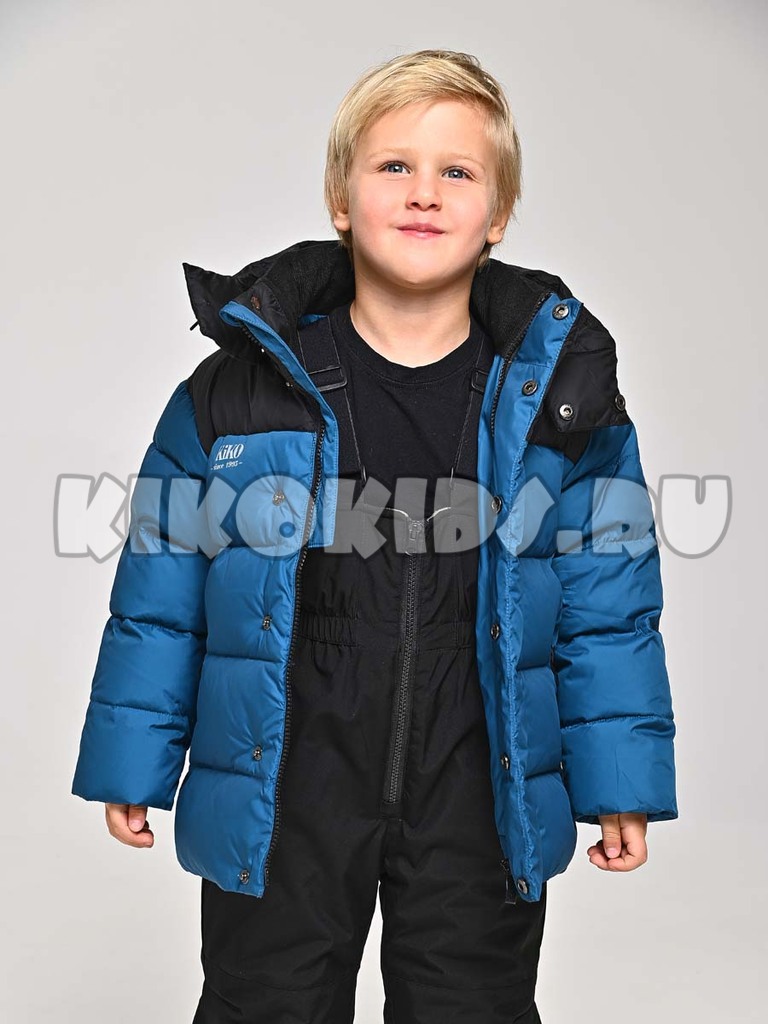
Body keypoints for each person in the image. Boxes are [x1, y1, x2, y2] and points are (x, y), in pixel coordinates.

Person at [71, 49, 678, 1023]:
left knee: (472, 1004)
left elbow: (609, 604)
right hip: (285, 762)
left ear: (498, 215)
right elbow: (161, 589)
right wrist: (133, 756)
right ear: (341, 200)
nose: (424, 192)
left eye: (457, 171)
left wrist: (619, 780)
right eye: (394, 165)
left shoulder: (560, 402)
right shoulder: (237, 392)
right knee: (265, 1000)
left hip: (480, 763)